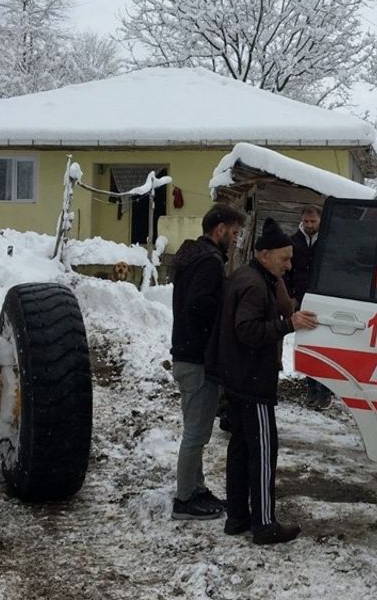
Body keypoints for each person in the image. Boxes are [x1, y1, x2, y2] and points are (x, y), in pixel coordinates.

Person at [207, 218, 319, 545]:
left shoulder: (251, 275)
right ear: (265, 254)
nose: (289, 264)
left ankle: (237, 517)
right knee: (264, 453)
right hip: (253, 383)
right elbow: (248, 331)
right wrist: (288, 324)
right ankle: (265, 524)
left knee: (241, 450)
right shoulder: (255, 285)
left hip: (238, 379)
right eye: (284, 258)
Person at [169, 204, 245, 521]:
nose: (236, 239)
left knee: (195, 430)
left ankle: (196, 488)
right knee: (196, 435)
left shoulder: (193, 257)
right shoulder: (210, 262)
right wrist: (227, 313)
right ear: (220, 230)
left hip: (187, 355)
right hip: (196, 359)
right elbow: (200, 304)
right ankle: (185, 499)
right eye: (235, 233)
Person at [284, 205, 331, 409]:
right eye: (307, 222)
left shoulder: (329, 240)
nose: (310, 225)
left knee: (324, 347)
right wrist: (290, 295)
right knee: (307, 346)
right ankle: (311, 388)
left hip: (324, 301)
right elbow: (287, 271)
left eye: (313, 222)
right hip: (302, 301)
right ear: (301, 221)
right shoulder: (293, 242)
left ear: (320, 221)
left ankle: (325, 391)